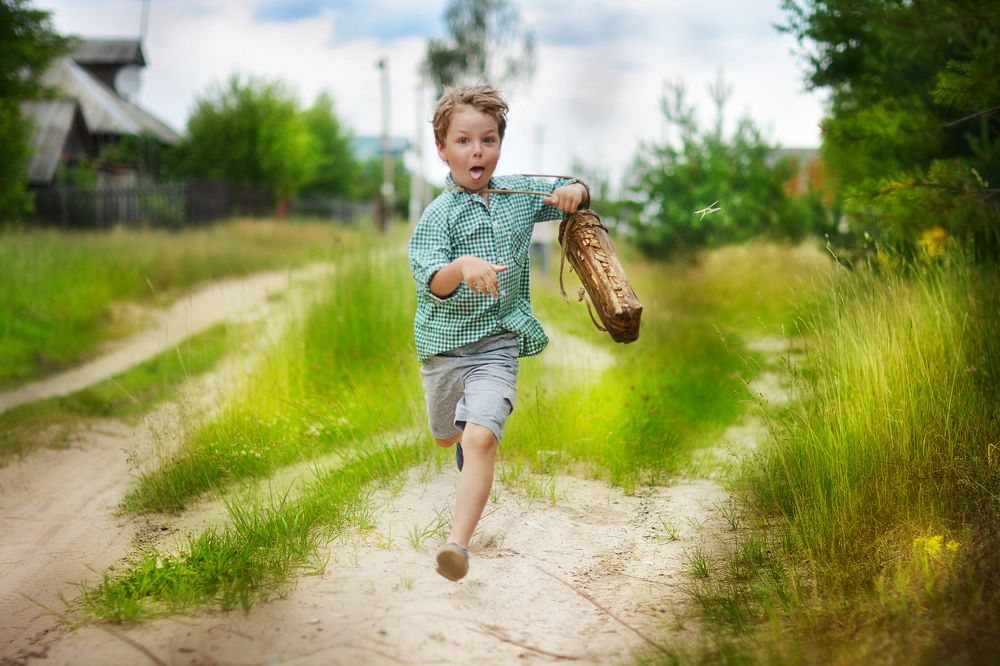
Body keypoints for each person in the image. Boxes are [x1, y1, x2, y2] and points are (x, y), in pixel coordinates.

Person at [408, 84, 588, 582]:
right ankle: (457, 432)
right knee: (450, 439)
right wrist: (463, 266)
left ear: (500, 145)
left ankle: (456, 546)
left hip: (497, 343)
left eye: (488, 140)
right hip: (443, 349)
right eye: (463, 141)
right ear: (443, 150)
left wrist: (576, 191)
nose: (477, 151)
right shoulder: (437, 216)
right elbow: (431, 282)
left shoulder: (516, 197)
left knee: (483, 438)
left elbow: (570, 190)